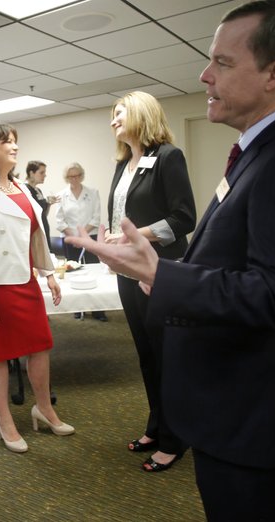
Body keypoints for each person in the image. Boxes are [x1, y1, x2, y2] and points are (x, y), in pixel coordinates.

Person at [67, 0, 275, 521]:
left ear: (274, 73)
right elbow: (232, 262)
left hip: (254, 415)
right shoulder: (255, 153)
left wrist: (162, 273)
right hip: (228, 405)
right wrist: (161, 273)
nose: (204, 74)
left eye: (222, 62)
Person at [0, 124, 73, 454]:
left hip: (25, 281)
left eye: (15, 141)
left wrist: (48, 273)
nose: (14, 146)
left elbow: (36, 234)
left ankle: (44, 408)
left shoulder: (20, 186)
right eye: (6, 141)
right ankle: (4, 420)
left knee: (40, 346)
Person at [106, 91, 196, 472]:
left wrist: (134, 234)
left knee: (169, 357)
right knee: (147, 355)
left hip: (162, 273)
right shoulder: (124, 163)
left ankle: (176, 440)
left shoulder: (168, 157)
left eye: (119, 112)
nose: (113, 121)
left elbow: (184, 218)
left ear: (142, 113)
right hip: (130, 273)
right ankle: (157, 426)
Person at [55, 162, 106, 320]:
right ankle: (77, 308)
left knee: (93, 271)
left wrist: (83, 236)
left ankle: (98, 311)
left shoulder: (92, 192)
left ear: (81, 175)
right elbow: (59, 220)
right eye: (71, 176)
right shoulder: (61, 195)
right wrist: (74, 236)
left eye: (77, 175)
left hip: (90, 236)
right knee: (73, 273)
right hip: (70, 238)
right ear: (66, 178)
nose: (74, 179)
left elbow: (96, 217)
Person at [23, 160, 58, 251]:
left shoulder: (38, 190)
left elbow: (43, 214)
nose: (45, 175)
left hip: (43, 229)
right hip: (35, 233)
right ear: (31, 173)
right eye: (42, 172)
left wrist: (49, 204)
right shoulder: (25, 190)